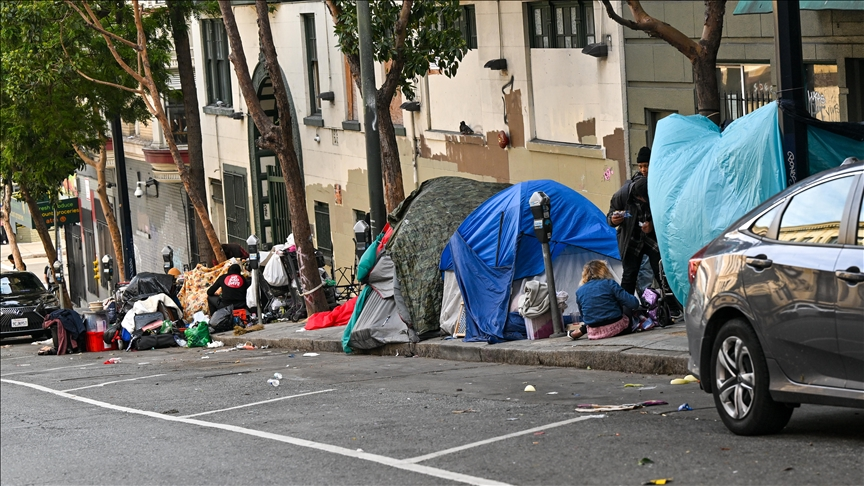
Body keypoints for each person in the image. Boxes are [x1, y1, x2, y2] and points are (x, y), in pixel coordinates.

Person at [607, 173, 661, 296]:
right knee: (629, 275)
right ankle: (626, 308)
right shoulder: (621, 196)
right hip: (631, 240)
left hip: (650, 240)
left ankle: (672, 306)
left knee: (660, 271)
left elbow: (663, 217)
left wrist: (652, 225)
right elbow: (610, 216)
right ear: (638, 196)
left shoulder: (653, 193)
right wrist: (613, 220)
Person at [569, 260, 640, 340]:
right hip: (617, 328)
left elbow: (584, 315)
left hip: (594, 333)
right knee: (627, 306)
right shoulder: (609, 283)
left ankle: (580, 331)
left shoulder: (579, 291)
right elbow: (634, 304)